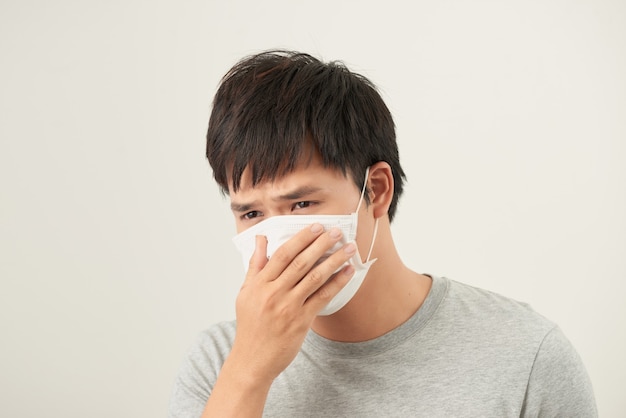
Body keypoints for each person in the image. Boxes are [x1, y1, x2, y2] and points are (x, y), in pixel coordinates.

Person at [169, 50, 597, 417]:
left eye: (301, 204)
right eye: (250, 213)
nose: (276, 236)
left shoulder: (526, 355)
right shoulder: (217, 363)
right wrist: (249, 370)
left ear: (375, 190)